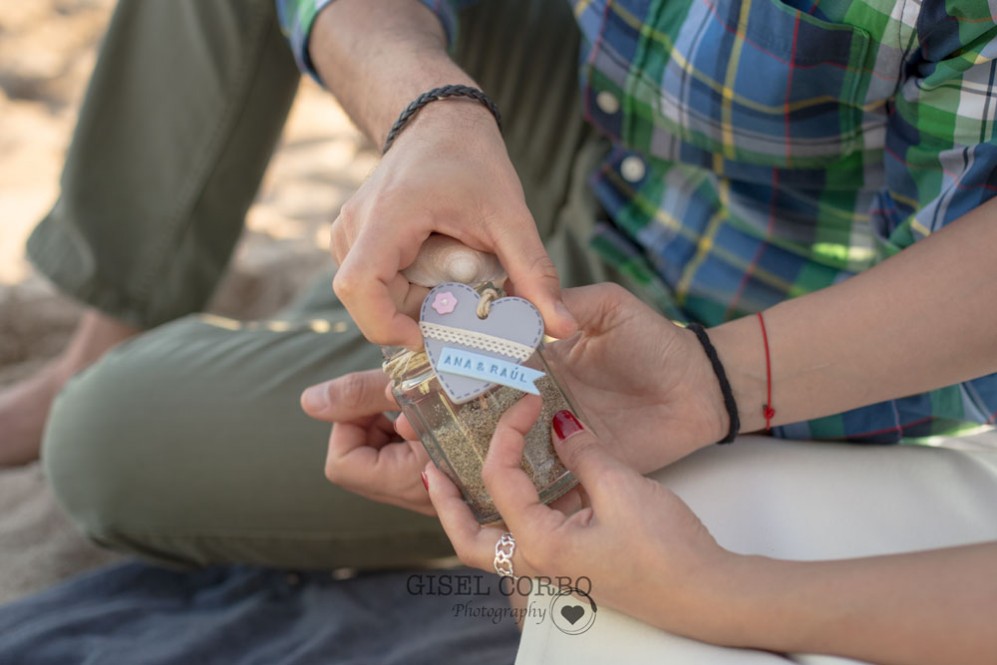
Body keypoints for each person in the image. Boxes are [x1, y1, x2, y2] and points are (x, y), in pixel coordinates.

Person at [2, 0, 994, 661]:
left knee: (107, 438)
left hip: (775, 327)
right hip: (602, 146)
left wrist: (716, 382)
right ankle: (109, 319)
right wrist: (426, 106)